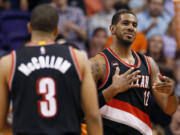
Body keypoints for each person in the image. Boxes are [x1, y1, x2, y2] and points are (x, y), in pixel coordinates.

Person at [0, 4, 103, 135]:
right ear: (56, 30)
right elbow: (93, 116)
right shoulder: (77, 57)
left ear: (29, 28)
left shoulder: (8, 62)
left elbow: (0, 123)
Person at [90, 9, 179, 135]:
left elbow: (169, 109)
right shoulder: (98, 63)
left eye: (134, 25)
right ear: (113, 28)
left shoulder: (149, 63)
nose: (131, 27)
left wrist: (170, 93)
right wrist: (113, 89)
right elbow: (82, 108)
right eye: (125, 23)